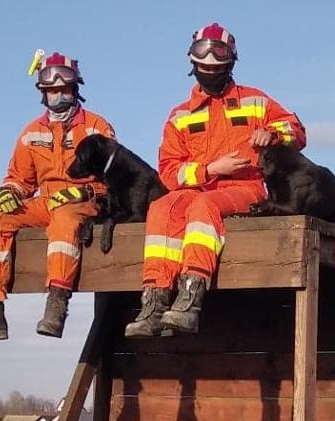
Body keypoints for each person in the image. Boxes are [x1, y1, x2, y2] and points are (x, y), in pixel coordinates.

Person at [123, 22, 306, 338]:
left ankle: (190, 298)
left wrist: (273, 133)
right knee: (162, 208)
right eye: (203, 65)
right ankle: (154, 301)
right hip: (199, 188)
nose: (209, 71)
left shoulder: (255, 101)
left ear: (231, 63)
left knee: (203, 207)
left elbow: (297, 131)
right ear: (192, 65)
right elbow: (169, 172)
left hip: (246, 188)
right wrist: (210, 170)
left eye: (217, 65)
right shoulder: (180, 116)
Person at [0, 51, 116, 340]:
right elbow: (19, 177)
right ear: (43, 93)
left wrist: (86, 190)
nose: (58, 95)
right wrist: (9, 192)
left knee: (64, 219)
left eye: (63, 89)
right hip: (48, 199)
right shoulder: (31, 132)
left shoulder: (96, 126)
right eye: (51, 90)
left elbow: (116, 178)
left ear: (75, 89)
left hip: (86, 200)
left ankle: (56, 304)